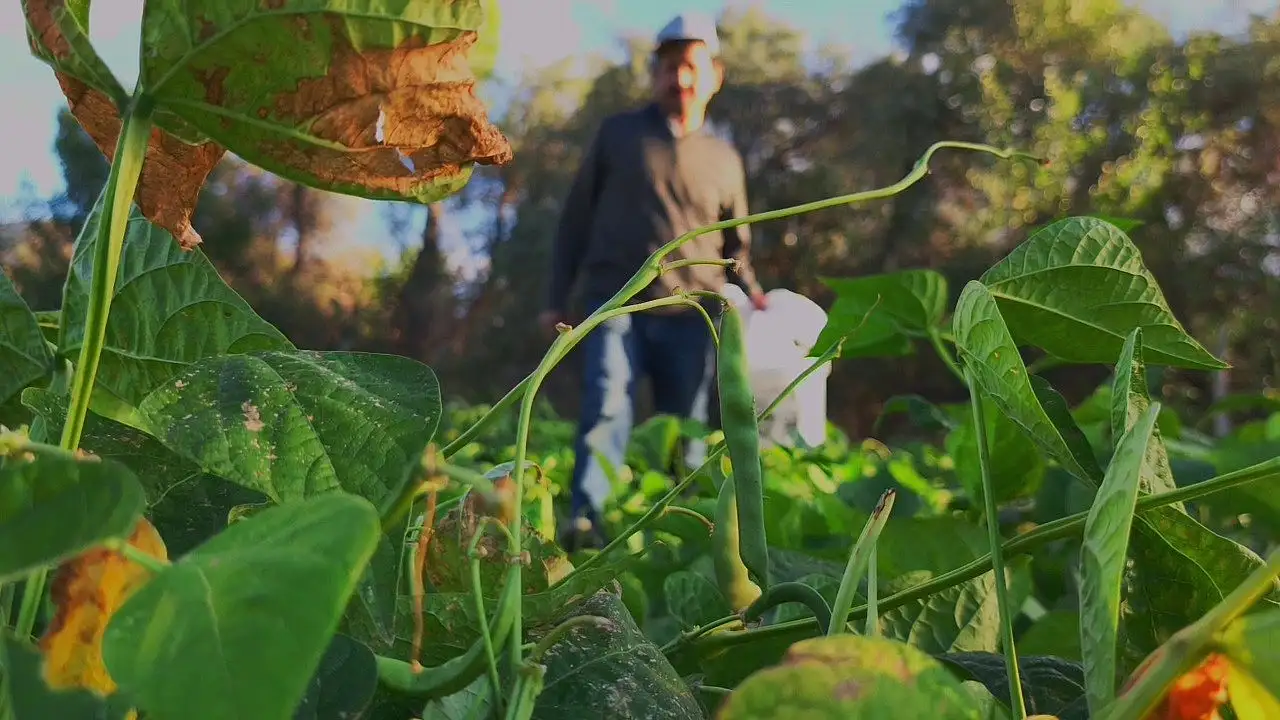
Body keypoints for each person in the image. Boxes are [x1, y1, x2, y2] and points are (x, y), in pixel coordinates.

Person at [539, 12, 768, 548]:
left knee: (685, 425)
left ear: (715, 76)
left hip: (693, 313)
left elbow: (737, 247)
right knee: (606, 402)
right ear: (654, 74)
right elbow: (575, 219)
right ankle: (587, 522)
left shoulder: (725, 158)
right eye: (668, 67)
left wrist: (756, 295)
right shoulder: (618, 134)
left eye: (690, 67)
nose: (679, 78)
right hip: (615, 302)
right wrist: (555, 297)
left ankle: (681, 531)